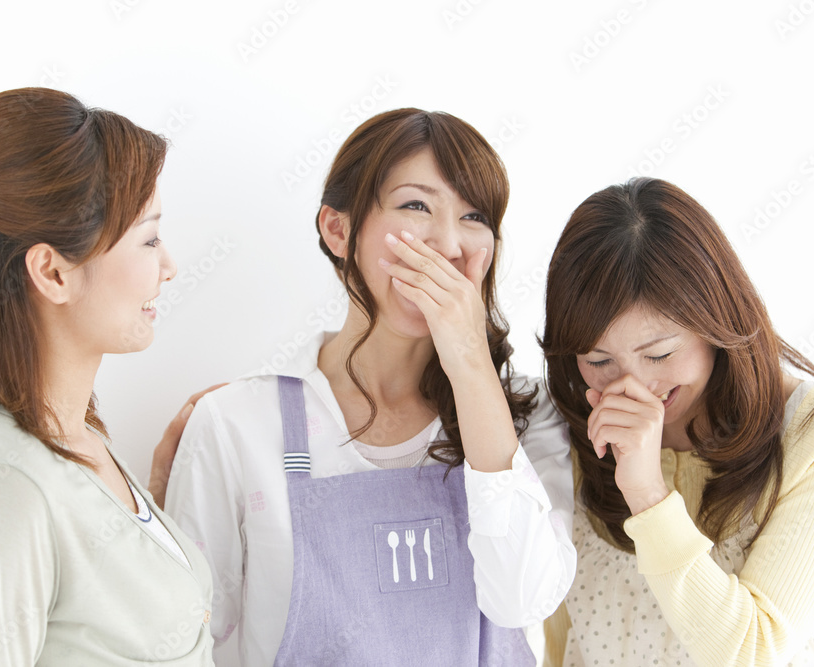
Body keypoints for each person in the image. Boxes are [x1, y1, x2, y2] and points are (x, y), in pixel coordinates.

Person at [164, 108, 577, 666]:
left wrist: (471, 366)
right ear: (338, 230)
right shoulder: (235, 424)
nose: (448, 244)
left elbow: (522, 599)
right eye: (416, 206)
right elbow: (182, 647)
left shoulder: (528, 414)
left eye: (474, 216)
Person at [0, 88, 215, 666]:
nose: (169, 267)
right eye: (149, 239)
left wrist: (155, 505)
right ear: (52, 272)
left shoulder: (73, 435)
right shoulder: (4, 480)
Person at [538, 178, 814, 666]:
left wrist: (647, 494)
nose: (633, 388)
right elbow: (558, 643)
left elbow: (753, 651)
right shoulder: (565, 433)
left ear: (716, 319)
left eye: (659, 354)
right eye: (599, 360)